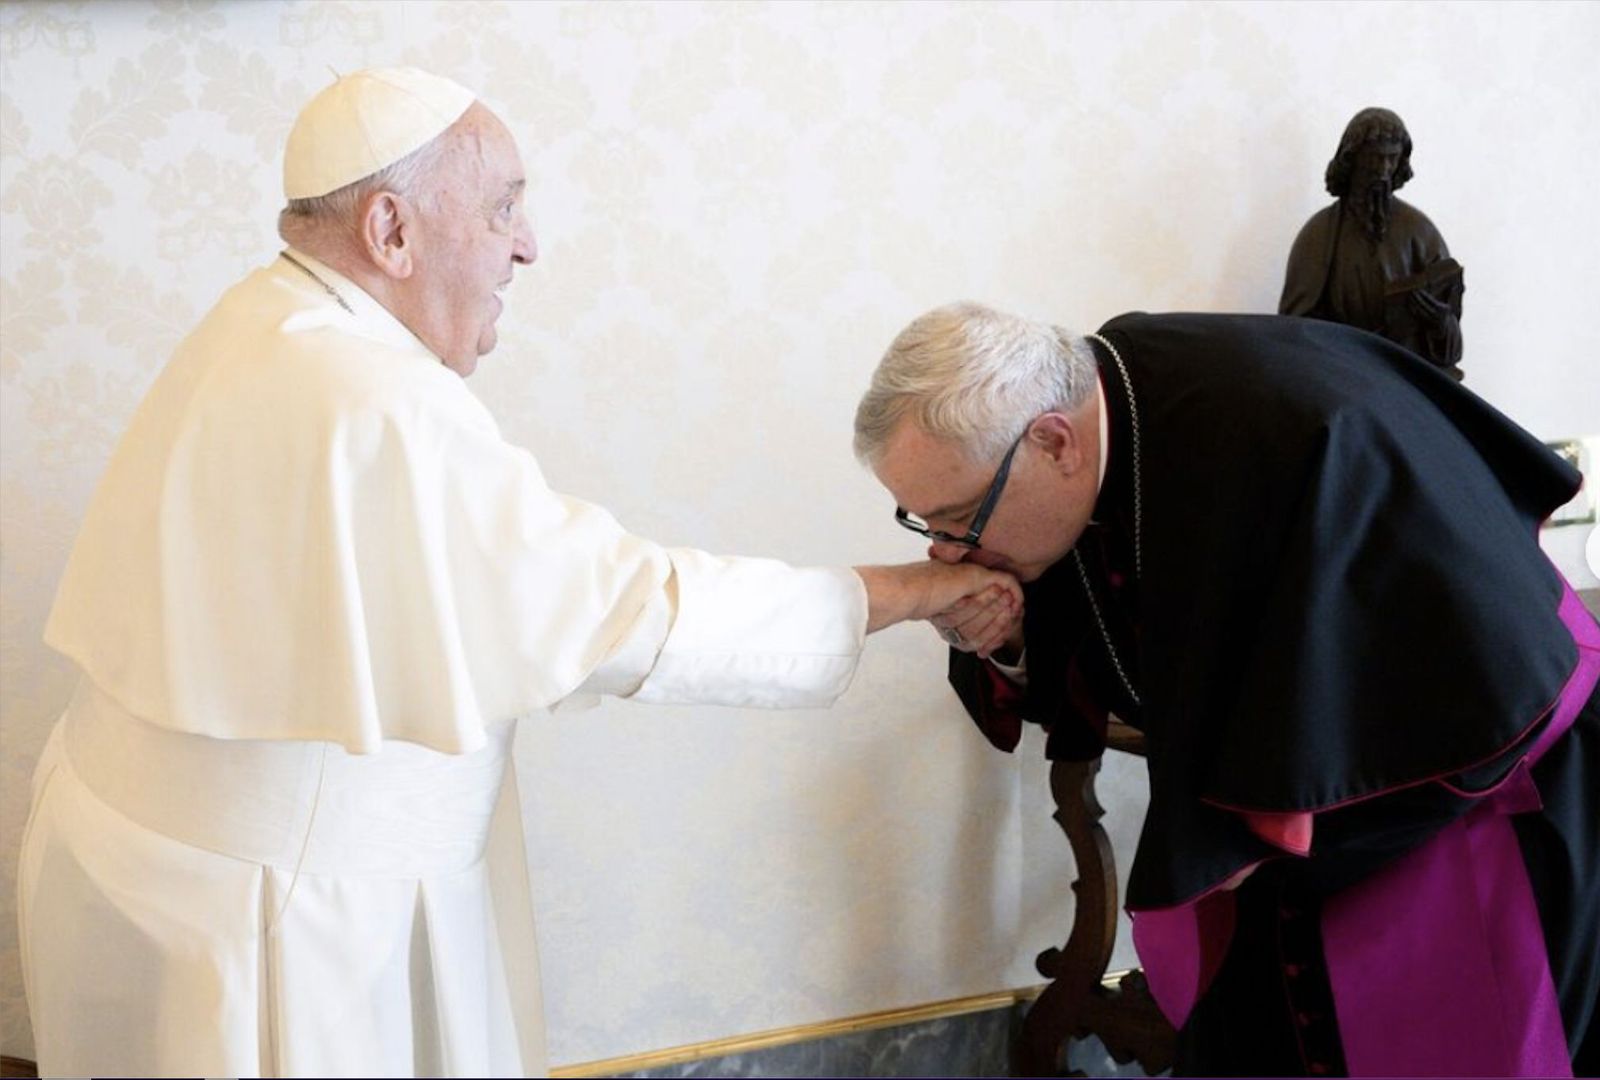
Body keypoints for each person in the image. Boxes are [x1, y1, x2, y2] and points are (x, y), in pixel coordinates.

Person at [17, 69, 1020, 1079]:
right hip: (286, 926)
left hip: (152, 861)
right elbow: (620, 612)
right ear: (390, 232)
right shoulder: (376, 402)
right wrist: (900, 592)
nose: (528, 243)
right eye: (503, 206)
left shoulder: (265, 317)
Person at [857, 301, 1597, 1077]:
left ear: (1053, 442)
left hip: (1452, 797)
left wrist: (1266, 823)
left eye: (959, 519)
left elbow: (1469, 672)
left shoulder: (1307, 432)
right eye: (926, 524)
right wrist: (1005, 639)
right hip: (1287, 847)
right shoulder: (1105, 420)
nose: (946, 552)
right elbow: (1110, 631)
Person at [1280, 107, 1466, 380]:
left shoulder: (1421, 232)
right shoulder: (1318, 235)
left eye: (1392, 159)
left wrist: (1440, 321)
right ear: (1352, 159)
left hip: (1407, 382)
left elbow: (1450, 352)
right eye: (1374, 159)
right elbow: (1292, 334)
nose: (1383, 170)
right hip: (1341, 379)